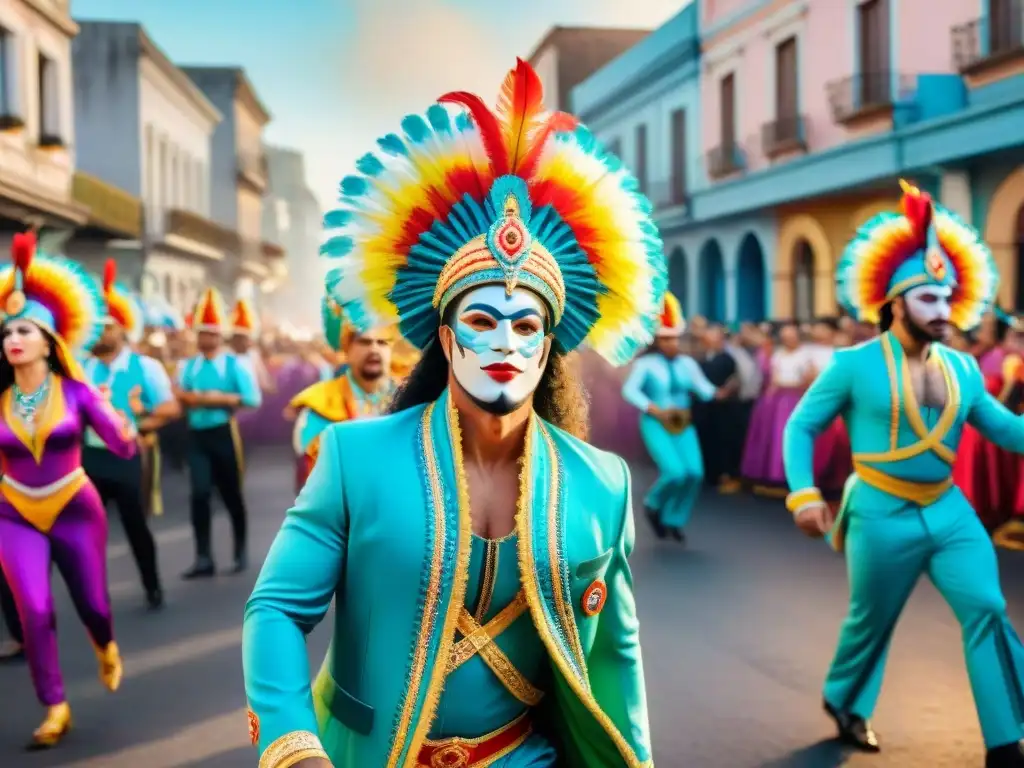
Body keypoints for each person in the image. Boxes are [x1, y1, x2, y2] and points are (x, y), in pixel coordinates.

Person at [243, 58, 659, 768]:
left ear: (550, 347)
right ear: (444, 334)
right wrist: (291, 738)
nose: (504, 341)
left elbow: (617, 658)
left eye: (527, 326)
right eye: (481, 319)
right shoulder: (355, 458)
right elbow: (276, 610)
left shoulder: (603, 483)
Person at [783, 180, 1024, 767]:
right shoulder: (852, 365)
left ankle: (1004, 742)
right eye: (927, 300)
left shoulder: (965, 368)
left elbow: (1008, 432)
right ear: (894, 301)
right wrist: (805, 494)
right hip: (878, 512)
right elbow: (799, 428)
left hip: (949, 511)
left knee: (986, 608)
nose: (944, 312)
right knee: (873, 620)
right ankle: (845, 701)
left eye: (948, 299)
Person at [0, 232, 137, 748]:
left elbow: (122, 448)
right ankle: (54, 705)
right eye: (6, 331)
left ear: (49, 340)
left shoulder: (77, 392)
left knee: (93, 605)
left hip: (75, 508)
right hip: (12, 511)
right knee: (33, 610)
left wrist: (123, 427)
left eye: (24, 329)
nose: (12, 338)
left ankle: (105, 645)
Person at [81, 260, 180, 609]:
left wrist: (138, 422)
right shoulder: (81, 368)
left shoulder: (146, 367)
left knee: (136, 525)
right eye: (94, 328)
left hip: (127, 457)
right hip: (89, 457)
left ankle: (152, 585)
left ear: (121, 330)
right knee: (87, 531)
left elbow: (170, 409)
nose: (98, 334)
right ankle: (92, 595)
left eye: (105, 327)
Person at [175, 287, 262, 579]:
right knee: (199, 494)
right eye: (202, 333)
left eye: (211, 333)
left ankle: (239, 549)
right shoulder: (188, 366)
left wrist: (215, 398)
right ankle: (203, 557)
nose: (206, 338)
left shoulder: (234, 364)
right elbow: (179, 396)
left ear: (219, 336)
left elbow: (252, 398)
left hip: (224, 432)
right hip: (197, 436)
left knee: (231, 494)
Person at [622, 292, 720, 542]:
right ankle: (652, 503)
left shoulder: (687, 363)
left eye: (675, 339)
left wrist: (721, 392)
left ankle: (673, 519)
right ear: (657, 341)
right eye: (666, 340)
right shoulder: (646, 364)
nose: (672, 344)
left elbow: (704, 389)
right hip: (656, 423)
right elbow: (629, 390)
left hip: (684, 423)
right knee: (675, 472)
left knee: (695, 473)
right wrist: (651, 407)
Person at [286, 297, 399, 492]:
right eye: (364, 341)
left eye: (382, 342)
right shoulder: (321, 405)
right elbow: (313, 484)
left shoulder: (415, 399)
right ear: (347, 349)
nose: (374, 349)